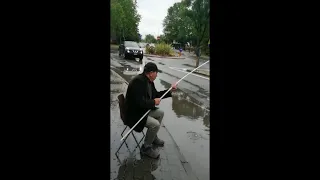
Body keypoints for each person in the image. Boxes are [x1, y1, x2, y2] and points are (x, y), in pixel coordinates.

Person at [124, 62, 177, 159]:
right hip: (134, 115)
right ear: (151, 73)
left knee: (160, 113)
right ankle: (146, 148)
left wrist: (169, 91)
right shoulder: (138, 82)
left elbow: (156, 95)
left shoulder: (149, 82)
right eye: (156, 73)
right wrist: (153, 102)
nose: (157, 75)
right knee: (155, 124)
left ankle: (153, 138)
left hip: (141, 111)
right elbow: (139, 103)